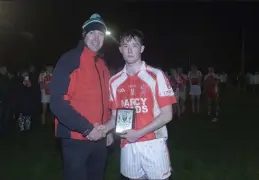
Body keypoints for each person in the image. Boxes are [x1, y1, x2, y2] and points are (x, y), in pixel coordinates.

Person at [101, 29, 176, 180]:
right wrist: (105, 129)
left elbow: (167, 114)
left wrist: (139, 133)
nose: (130, 50)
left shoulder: (156, 75)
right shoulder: (114, 81)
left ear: (141, 49)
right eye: (125, 46)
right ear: (120, 49)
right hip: (128, 144)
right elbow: (115, 116)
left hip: (153, 144)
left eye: (134, 45)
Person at [49, 13, 112, 180]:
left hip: (100, 137)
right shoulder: (70, 60)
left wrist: (108, 130)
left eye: (100, 34)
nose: (96, 37)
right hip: (76, 138)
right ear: (84, 35)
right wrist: (87, 128)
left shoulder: (103, 64)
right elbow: (57, 102)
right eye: (92, 33)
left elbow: (106, 101)